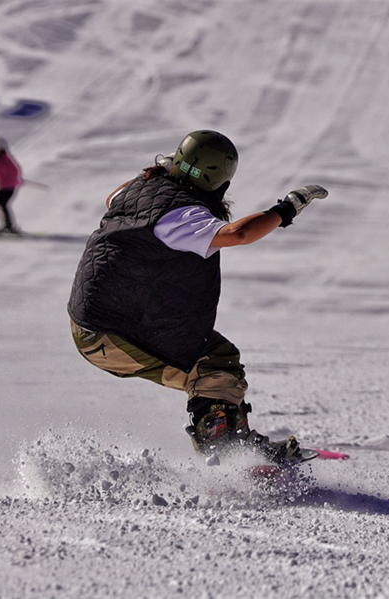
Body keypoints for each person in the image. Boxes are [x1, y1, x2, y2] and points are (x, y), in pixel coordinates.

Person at [67, 130, 328, 464]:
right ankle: (228, 456)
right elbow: (240, 233)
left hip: (93, 323)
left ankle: (230, 439)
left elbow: (113, 198)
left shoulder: (138, 189)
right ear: (221, 183)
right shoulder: (182, 216)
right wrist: (286, 209)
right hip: (116, 331)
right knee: (214, 365)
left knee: (216, 354)